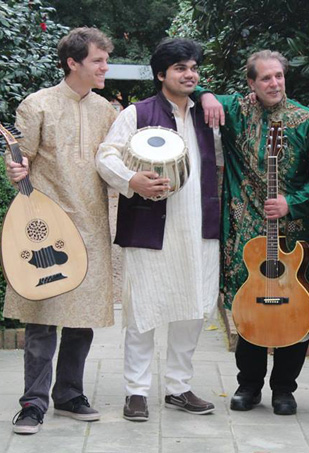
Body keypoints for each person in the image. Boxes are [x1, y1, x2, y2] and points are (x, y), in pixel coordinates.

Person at [95, 38, 219, 422]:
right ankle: (136, 391)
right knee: (143, 310)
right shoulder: (138, 112)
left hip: (199, 228)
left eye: (194, 68)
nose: (190, 74)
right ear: (161, 74)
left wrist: (209, 95)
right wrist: (132, 180)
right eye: (181, 68)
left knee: (192, 309)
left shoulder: (207, 114)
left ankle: (179, 387)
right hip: (150, 228)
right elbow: (106, 156)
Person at [199, 50, 309, 415]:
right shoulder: (236, 111)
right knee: (251, 309)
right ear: (251, 83)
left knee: (296, 309)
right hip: (247, 234)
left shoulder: (308, 121)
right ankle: (249, 385)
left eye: (279, 76)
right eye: (266, 78)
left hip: (295, 235)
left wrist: (291, 202)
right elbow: (191, 86)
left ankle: (284, 388)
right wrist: (207, 96)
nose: (274, 83)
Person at [4, 27, 118, 434]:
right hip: (45, 227)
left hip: (92, 224)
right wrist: (15, 167)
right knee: (41, 316)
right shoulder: (37, 105)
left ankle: (69, 394)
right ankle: (33, 403)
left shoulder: (107, 111)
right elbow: (20, 157)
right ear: (73, 62)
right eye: (98, 60)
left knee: (81, 319)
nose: (105, 67)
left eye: (105, 60)